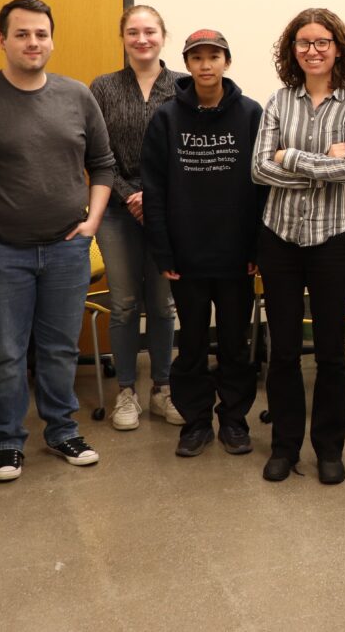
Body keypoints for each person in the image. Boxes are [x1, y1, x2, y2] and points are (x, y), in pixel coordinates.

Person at [0, 0, 115, 482]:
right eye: (21, 34)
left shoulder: (77, 95)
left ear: (51, 39)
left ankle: (61, 429)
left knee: (61, 346)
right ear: (3, 40)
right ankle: (5, 440)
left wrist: (90, 224)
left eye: (41, 34)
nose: (32, 42)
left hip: (66, 248)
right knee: (5, 351)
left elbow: (102, 165)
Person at [252, 8, 345, 485]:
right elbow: (259, 169)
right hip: (279, 239)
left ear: (337, 48)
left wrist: (291, 157)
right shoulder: (278, 102)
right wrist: (322, 160)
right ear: (292, 51)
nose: (314, 50)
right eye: (304, 42)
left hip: (332, 240)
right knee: (281, 351)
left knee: (331, 353)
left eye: (323, 42)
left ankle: (328, 448)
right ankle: (284, 446)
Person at [141, 30, 266, 458]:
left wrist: (256, 250)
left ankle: (233, 420)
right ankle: (195, 423)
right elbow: (153, 189)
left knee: (235, 345)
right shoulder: (166, 118)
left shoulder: (251, 114)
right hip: (186, 258)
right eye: (197, 58)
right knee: (191, 345)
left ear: (227, 62)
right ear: (187, 64)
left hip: (236, 257)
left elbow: (263, 188)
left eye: (214, 56)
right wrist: (163, 250)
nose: (206, 65)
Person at [89, 5, 184, 430]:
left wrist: (156, 197)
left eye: (149, 31)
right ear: (122, 38)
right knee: (125, 304)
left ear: (163, 36)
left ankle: (163, 388)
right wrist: (132, 196)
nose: (141, 39)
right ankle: (126, 390)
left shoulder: (183, 85)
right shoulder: (104, 87)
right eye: (133, 32)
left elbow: (189, 152)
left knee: (163, 306)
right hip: (116, 210)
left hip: (171, 212)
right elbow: (98, 152)